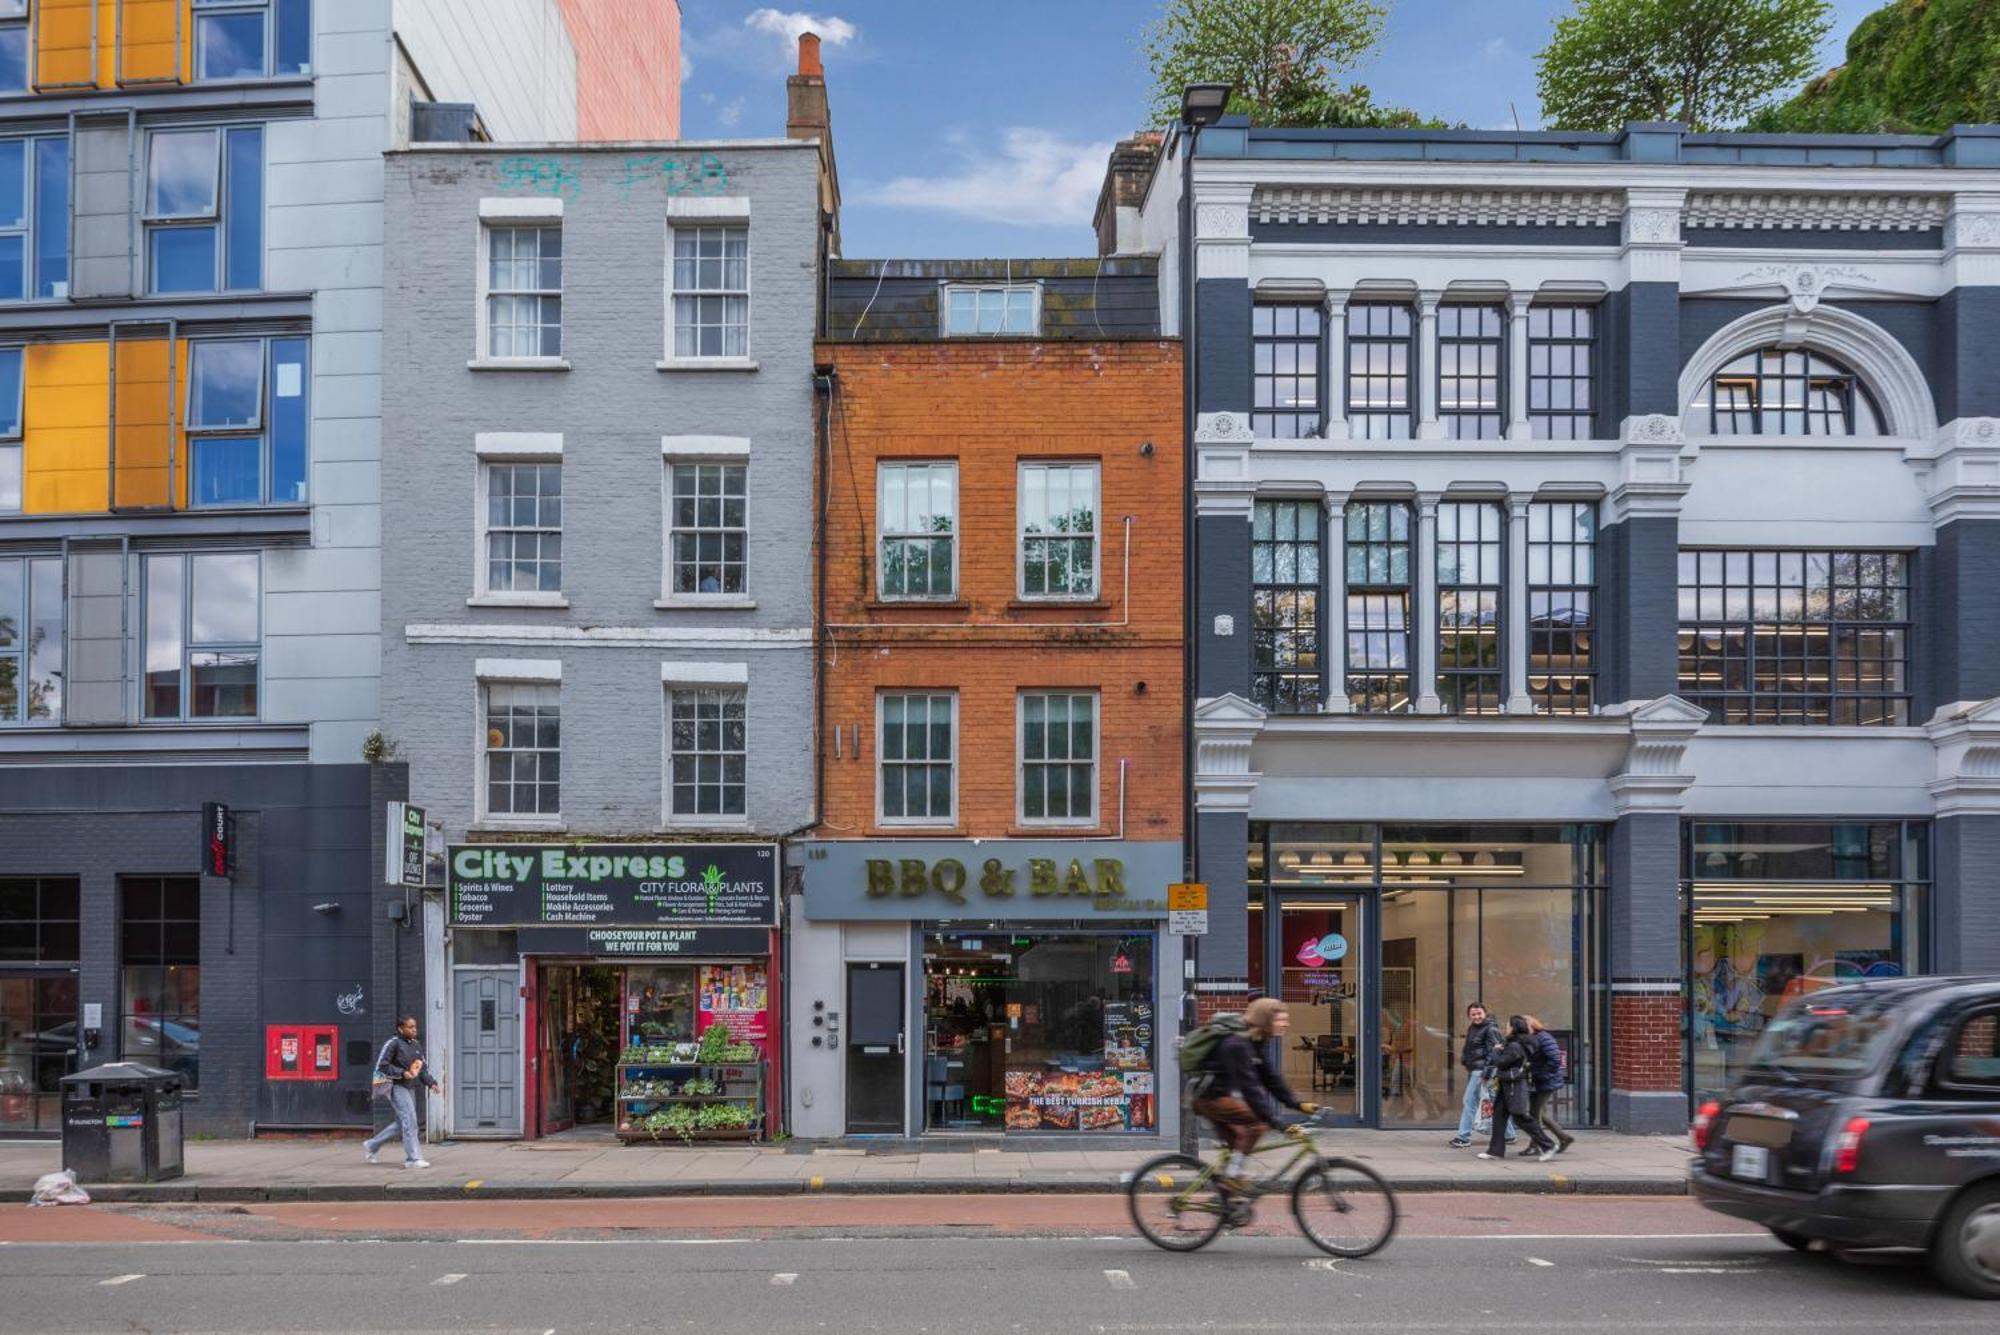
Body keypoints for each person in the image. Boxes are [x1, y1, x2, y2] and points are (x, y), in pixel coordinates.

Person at [1191, 998, 1317, 1193]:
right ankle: (1231, 1178)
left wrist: (1297, 1104)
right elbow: (1250, 1089)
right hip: (1209, 1099)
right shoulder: (1237, 1045)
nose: (1286, 1024)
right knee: (1257, 1125)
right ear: (1265, 1020)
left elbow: (1270, 1079)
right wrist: (1279, 1124)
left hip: (1219, 1097)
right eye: (1281, 1020)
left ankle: (1226, 1200)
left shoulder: (1256, 1041)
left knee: (1239, 1142)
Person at [365, 1014, 441, 1169]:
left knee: (402, 1123)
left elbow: (422, 1068)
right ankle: (413, 1159)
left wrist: (431, 1083)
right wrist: (402, 1073)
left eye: (415, 1027)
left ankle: (372, 1145)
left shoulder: (416, 1045)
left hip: (409, 1087)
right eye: (410, 1027)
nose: (414, 1030)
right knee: (410, 1120)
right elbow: (382, 1066)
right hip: (395, 1086)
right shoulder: (393, 1044)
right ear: (400, 1028)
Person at [1477, 1015, 1557, 1162]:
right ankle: (1495, 1151)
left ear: (1513, 1028)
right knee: (1499, 1117)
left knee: (1521, 1117)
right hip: (1507, 1083)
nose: (1505, 1028)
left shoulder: (1515, 1045)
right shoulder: (1516, 1043)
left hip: (1513, 1085)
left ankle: (1548, 1145)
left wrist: (1495, 1051)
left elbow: (1501, 1063)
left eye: (1507, 1026)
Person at [1449, 1002, 1512, 1149]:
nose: (1476, 1016)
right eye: (1473, 1014)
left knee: (1469, 1102)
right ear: (1469, 1016)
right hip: (1475, 1070)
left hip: (1482, 1071)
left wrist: (1486, 1074)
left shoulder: (1490, 1029)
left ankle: (1463, 1137)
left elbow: (1495, 1053)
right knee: (1495, 1102)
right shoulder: (1473, 1028)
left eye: (1479, 1014)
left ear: (1485, 1014)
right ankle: (1509, 1134)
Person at [1524, 1015, 1575, 1156]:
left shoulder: (1544, 1037)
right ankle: (1564, 1138)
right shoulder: (1534, 1037)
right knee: (1540, 1114)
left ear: (1532, 1025)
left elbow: (1554, 1059)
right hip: (1539, 1081)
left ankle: (1536, 1145)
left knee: (1535, 1115)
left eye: (1524, 1026)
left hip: (1546, 1081)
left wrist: (1542, 1074)